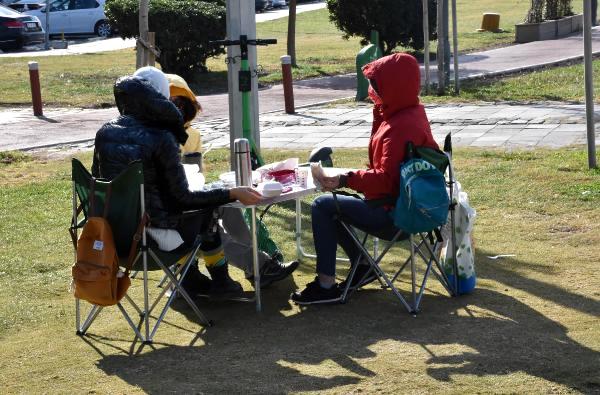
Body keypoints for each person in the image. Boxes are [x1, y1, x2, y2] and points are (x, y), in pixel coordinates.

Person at [92, 66, 262, 296]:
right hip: (151, 242)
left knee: (186, 211)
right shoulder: (162, 137)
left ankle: (190, 277)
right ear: (160, 99)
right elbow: (183, 199)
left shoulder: (105, 132)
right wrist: (232, 193)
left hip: (111, 237)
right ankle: (218, 281)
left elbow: (98, 184)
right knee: (208, 212)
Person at [290, 53, 440, 305]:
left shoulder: (398, 126)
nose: (371, 90)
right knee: (332, 205)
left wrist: (346, 179)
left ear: (392, 86)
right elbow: (390, 172)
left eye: (375, 83)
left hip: (395, 214)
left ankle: (326, 284)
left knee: (322, 205)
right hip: (416, 207)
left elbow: (385, 180)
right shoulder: (411, 112)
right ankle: (361, 265)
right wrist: (351, 179)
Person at [165, 73, 299, 289]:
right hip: (167, 216)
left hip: (179, 201)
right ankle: (260, 265)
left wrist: (223, 192)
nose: (176, 110)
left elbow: (191, 181)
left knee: (228, 208)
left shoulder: (187, 134)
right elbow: (182, 196)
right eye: (171, 104)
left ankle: (257, 265)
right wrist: (227, 193)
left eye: (180, 105)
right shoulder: (157, 140)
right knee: (209, 227)